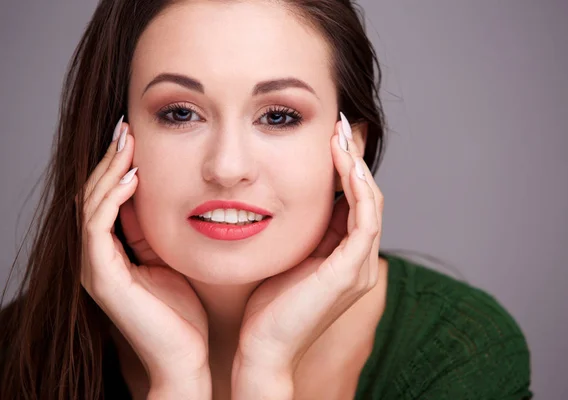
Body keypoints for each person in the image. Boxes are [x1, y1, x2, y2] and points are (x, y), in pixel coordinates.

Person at [0, 0, 533, 399]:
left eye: (278, 116)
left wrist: (265, 368)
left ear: (348, 148)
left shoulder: (456, 352)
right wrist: (178, 379)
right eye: (180, 113)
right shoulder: (20, 355)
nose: (228, 168)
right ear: (114, 138)